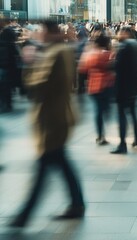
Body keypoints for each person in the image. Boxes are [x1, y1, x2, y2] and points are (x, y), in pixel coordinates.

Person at [9, 20, 85, 228]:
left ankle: (24, 215)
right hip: (56, 117)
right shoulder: (61, 50)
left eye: (41, 31)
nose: (38, 34)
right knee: (60, 161)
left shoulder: (55, 53)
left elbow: (39, 84)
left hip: (52, 118)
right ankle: (77, 204)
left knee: (45, 166)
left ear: (49, 32)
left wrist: (29, 63)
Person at [111, 27, 137, 154]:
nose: (118, 34)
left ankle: (122, 144)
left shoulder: (124, 47)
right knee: (133, 114)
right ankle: (135, 139)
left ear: (126, 33)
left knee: (122, 116)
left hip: (123, 87)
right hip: (135, 86)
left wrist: (113, 61)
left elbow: (118, 67)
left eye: (120, 32)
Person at [78, 34, 115, 145]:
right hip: (107, 85)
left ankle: (100, 135)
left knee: (98, 110)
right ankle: (106, 117)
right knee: (104, 108)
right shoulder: (109, 55)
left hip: (93, 86)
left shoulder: (89, 55)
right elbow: (114, 66)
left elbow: (82, 69)